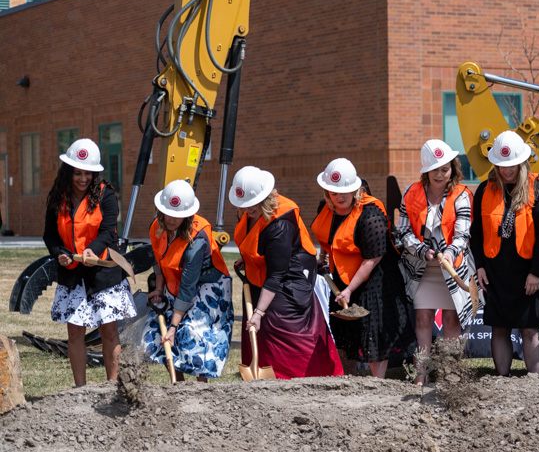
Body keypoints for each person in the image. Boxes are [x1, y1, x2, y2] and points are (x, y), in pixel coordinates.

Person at [229, 165, 342, 379]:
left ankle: (304, 378)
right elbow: (255, 240)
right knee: (257, 327)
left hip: (290, 279)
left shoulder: (280, 225)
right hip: (262, 276)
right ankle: (264, 372)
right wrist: (248, 258)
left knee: (280, 323)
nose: (247, 209)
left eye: (252, 204)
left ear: (264, 197)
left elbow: (276, 274)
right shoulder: (249, 212)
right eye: (244, 205)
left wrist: (259, 312)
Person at [42, 138, 136, 386]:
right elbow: (49, 234)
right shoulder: (58, 197)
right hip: (72, 274)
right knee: (75, 332)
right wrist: (59, 253)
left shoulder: (106, 194)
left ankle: (111, 386)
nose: (83, 178)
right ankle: (80, 390)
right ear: (68, 172)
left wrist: (92, 251)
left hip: (103, 274)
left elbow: (108, 232)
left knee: (109, 331)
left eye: (88, 173)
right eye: (77, 173)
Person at [311, 158, 415, 378]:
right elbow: (329, 239)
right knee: (344, 332)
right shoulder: (326, 208)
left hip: (375, 281)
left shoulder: (371, 215)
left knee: (373, 333)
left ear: (355, 189)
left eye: (345, 193)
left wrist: (349, 289)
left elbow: (372, 259)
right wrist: (323, 258)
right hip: (341, 275)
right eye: (333, 192)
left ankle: (378, 384)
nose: (339, 197)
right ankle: (346, 379)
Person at [470, 130, 539, 376]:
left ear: (523, 162)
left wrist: (536, 272)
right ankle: (502, 379)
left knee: (529, 328)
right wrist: (480, 266)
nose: (507, 171)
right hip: (496, 271)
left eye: (512, 166)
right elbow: (477, 232)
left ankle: (533, 379)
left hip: (528, 271)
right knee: (499, 327)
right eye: (502, 166)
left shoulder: (538, 189)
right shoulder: (484, 189)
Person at [397, 140, 477, 386]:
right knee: (422, 319)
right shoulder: (411, 192)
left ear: (452, 167)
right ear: (426, 171)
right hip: (422, 268)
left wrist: (450, 254)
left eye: (445, 168)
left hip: (453, 267)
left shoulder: (462, 194)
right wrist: (422, 250)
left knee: (452, 320)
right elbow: (402, 231)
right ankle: (421, 373)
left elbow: (463, 235)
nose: (441, 174)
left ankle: (448, 373)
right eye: (435, 170)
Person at [141, 180, 234, 382]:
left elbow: (188, 286)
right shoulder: (156, 226)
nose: (173, 219)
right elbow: (158, 260)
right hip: (174, 282)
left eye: (178, 215)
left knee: (194, 335)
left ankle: (201, 389)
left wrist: (174, 326)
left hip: (208, 286)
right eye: (169, 213)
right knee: (158, 334)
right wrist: (159, 288)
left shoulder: (197, 240)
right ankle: (180, 385)